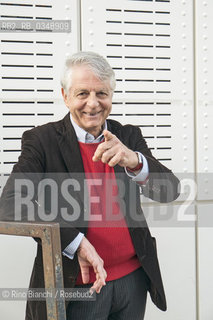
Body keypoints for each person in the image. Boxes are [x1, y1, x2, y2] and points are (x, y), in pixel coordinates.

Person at [0, 51, 179, 320]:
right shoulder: (42, 140)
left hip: (133, 281)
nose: (93, 104)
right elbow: (10, 204)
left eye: (101, 93)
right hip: (77, 285)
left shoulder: (128, 135)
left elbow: (170, 190)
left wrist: (135, 162)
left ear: (111, 95)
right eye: (82, 93)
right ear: (65, 96)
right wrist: (75, 241)